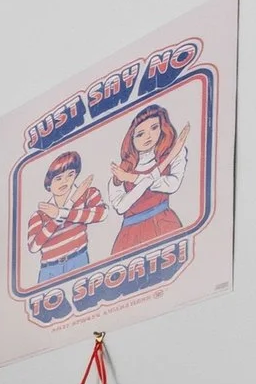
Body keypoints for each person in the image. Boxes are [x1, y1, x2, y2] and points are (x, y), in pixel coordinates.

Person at [106, 104, 191, 257]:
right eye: (140, 134)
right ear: (131, 139)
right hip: (130, 235)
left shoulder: (174, 154)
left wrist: (134, 178)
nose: (148, 136)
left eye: (154, 128)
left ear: (162, 128)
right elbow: (122, 206)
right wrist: (135, 177)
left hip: (164, 225)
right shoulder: (121, 171)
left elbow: (172, 185)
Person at [24, 151, 104, 284]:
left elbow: (101, 214)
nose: (65, 181)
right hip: (50, 269)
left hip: (78, 260)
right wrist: (55, 219)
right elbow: (33, 246)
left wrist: (62, 213)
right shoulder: (40, 214)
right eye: (58, 178)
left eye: (70, 175)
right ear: (49, 184)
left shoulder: (87, 194)